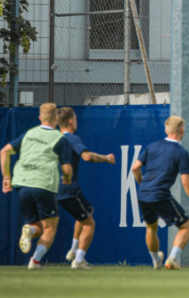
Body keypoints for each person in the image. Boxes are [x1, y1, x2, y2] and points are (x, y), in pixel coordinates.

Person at [0, 103, 73, 269]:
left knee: (37, 227)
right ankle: (35, 261)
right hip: (43, 184)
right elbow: (67, 168)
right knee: (50, 228)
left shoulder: (29, 134)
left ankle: (30, 231)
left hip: (22, 185)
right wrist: (67, 178)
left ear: (40, 117)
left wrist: (6, 177)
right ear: (56, 118)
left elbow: (4, 151)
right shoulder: (59, 138)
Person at [132, 115, 189, 269]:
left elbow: (135, 168)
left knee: (151, 227)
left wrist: (141, 183)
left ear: (166, 130)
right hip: (160, 195)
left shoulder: (152, 146)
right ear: (182, 130)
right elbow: (185, 181)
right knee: (186, 227)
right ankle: (173, 258)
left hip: (143, 194)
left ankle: (156, 261)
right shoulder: (181, 152)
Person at [56, 106, 116, 270]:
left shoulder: (53, 139)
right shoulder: (72, 139)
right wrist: (106, 158)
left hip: (51, 190)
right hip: (68, 190)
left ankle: (73, 249)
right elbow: (87, 156)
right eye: (75, 118)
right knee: (89, 224)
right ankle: (78, 259)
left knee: (86, 212)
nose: (77, 121)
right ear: (70, 121)